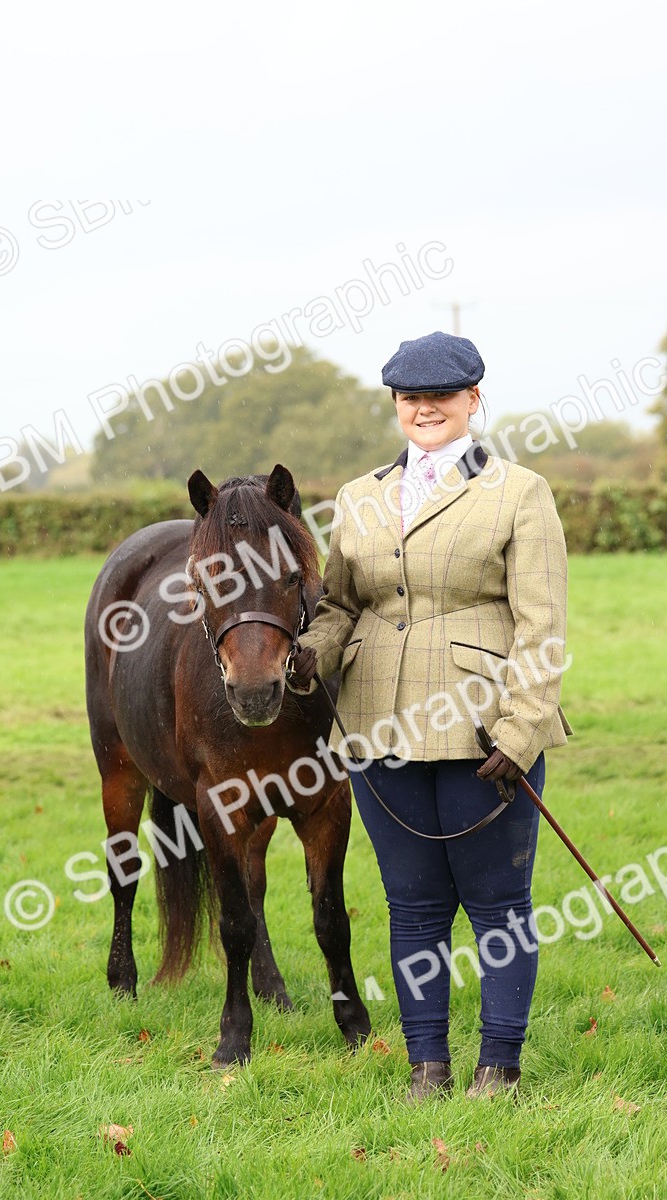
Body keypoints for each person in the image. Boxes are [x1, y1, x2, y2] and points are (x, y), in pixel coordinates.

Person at [287, 330, 571, 1100]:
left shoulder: (519, 491)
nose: (425, 409)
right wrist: (310, 650)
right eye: (411, 398)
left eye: (440, 397)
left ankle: (499, 1067)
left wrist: (521, 730)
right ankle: (428, 1067)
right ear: (396, 407)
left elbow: (543, 628)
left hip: (484, 728)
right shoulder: (358, 497)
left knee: (496, 905)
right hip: (378, 725)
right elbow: (343, 604)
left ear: (473, 401)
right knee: (413, 905)